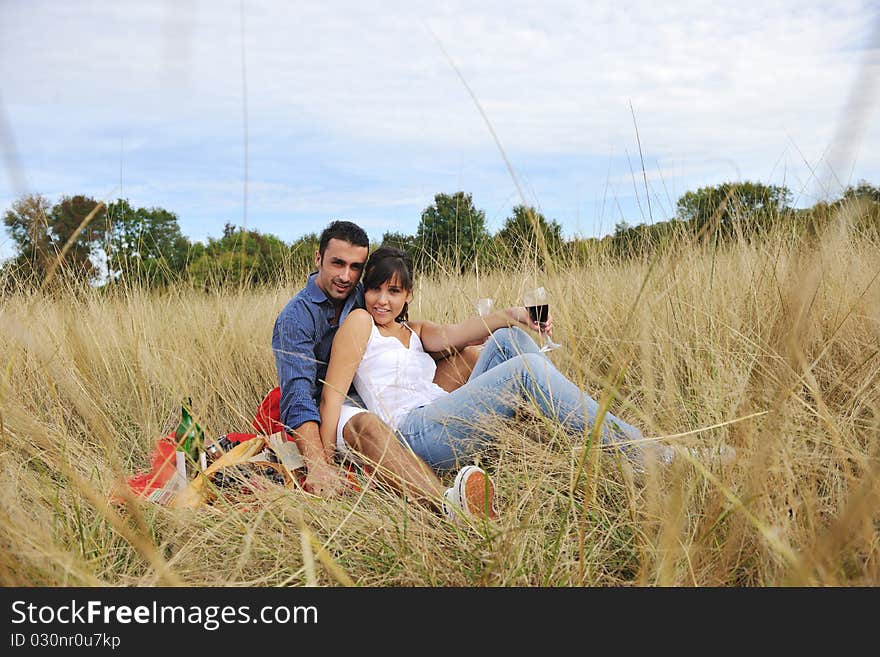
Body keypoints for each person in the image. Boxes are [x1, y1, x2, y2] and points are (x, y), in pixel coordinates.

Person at [319, 246, 673, 478]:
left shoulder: (415, 330)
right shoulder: (360, 323)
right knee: (525, 371)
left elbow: (466, 331)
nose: (382, 300)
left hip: (441, 416)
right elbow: (331, 396)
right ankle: (643, 453)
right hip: (412, 435)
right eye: (375, 289)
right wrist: (324, 463)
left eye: (393, 291)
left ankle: (577, 433)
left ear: (408, 295)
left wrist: (516, 315)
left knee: (508, 339)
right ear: (364, 291)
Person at [272, 221, 496, 520]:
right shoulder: (296, 317)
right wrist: (320, 466)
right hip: (338, 405)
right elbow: (300, 397)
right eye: (337, 263)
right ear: (318, 259)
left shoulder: (362, 291)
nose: (345, 276)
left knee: (470, 355)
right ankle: (448, 506)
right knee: (367, 423)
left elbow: (395, 331)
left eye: (355, 267)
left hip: (381, 391)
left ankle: (501, 438)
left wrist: (477, 333)